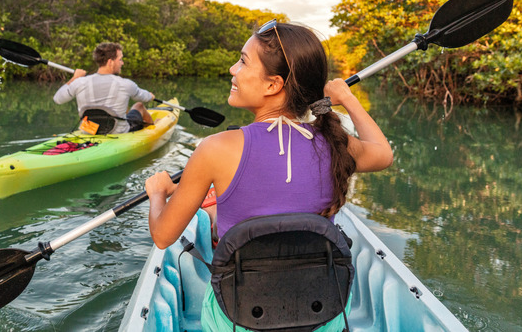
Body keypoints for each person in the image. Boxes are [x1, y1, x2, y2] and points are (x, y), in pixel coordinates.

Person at [144, 19, 394, 331]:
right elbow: (383, 153)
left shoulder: (215, 148)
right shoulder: (335, 143)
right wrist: (346, 98)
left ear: (273, 84)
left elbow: (164, 235)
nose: (233, 70)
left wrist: (157, 193)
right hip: (320, 316)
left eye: (243, 61)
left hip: (239, 320)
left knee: (213, 219)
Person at [53, 42, 155, 134]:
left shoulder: (80, 82)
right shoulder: (126, 84)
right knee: (139, 106)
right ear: (110, 62)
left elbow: (58, 99)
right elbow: (145, 98)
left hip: (88, 131)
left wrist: (74, 78)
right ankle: (154, 129)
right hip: (117, 132)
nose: (122, 63)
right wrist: (151, 96)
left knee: (125, 108)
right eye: (120, 59)